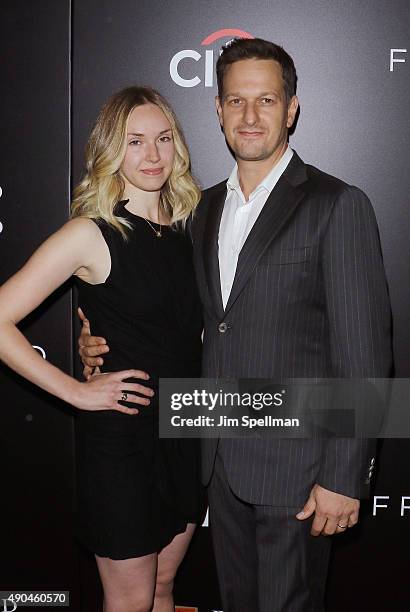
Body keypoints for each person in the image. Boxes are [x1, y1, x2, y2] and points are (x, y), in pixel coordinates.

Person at [79, 40, 393, 611]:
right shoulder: (198, 210)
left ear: (291, 108)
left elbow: (364, 353)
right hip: (214, 459)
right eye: (236, 101)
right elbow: (166, 311)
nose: (250, 116)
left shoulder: (336, 205)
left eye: (266, 100)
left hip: (298, 469)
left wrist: (345, 476)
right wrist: (97, 335)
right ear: (219, 111)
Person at [0, 86, 204, 612]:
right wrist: (76, 392)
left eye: (163, 139)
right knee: (131, 599)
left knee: (163, 588)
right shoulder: (90, 234)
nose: (153, 155)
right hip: (122, 441)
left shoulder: (192, 228)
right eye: (135, 141)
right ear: (112, 149)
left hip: (185, 431)